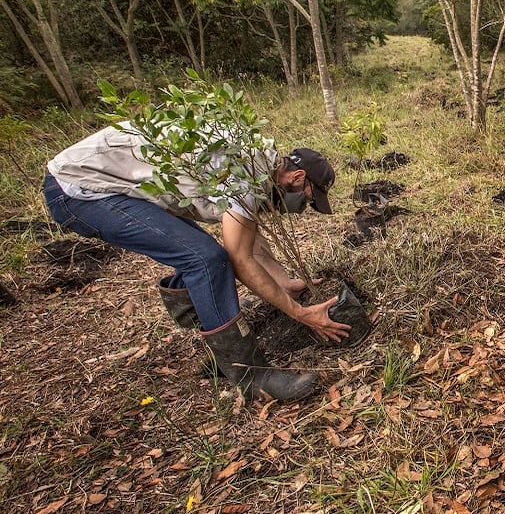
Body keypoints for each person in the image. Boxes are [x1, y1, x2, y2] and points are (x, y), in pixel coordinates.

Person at [43, 121, 351, 401]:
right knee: (206, 259)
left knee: (200, 253)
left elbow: (250, 239)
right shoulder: (246, 175)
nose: (302, 208)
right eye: (308, 199)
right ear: (297, 177)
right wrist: (299, 313)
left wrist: (284, 284)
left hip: (113, 184)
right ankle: (252, 376)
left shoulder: (255, 162)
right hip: (81, 189)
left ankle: (215, 339)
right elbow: (240, 259)